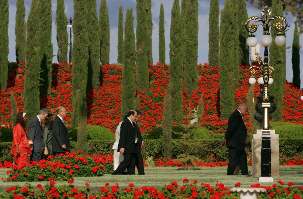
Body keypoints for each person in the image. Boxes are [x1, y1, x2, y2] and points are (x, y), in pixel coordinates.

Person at [112, 110, 144, 175]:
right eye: (135, 116)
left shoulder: (133, 123)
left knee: (131, 161)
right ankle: (116, 172)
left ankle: (131, 172)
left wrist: (139, 141)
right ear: (131, 115)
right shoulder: (125, 123)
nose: (136, 118)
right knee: (126, 161)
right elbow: (123, 136)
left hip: (132, 146)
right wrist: (121, 147)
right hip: (127, 146)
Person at [225, 103, 249, 175]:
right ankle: (230, 173)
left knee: (242, 158)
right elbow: (231, 129)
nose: (246, 112)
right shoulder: (235, 116)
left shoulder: (237, 115)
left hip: (238, 143)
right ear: (242, 109)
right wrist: (228, 139)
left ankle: (245, 172)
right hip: (235, 143)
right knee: (233, 159)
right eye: (245, 110)